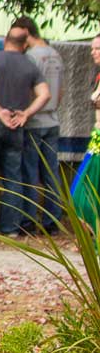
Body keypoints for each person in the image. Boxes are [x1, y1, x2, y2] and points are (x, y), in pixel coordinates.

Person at [0, 29, 51, 235]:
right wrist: (26, 114)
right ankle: (10, 228)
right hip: (16, 127)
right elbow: (45, 94)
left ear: (5, 40)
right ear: (25, 45)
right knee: (12, 178)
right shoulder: (29, 65)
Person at [12, 17, 64, 233]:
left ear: (25, 30)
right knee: (51, 173)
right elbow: (60, 92)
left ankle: (29, 221)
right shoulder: (56, 55)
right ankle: (53, 221)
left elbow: (28, 90)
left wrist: (24, 112)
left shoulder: (31, 57)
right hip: (53, 119)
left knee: (30, 172)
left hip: (33, 120)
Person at [71, 34, 100, 226]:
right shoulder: (98, 76)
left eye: (97, 49)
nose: (93, 52)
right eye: (92, 48)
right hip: (96, 139)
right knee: (79, 193)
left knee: (83, 193)